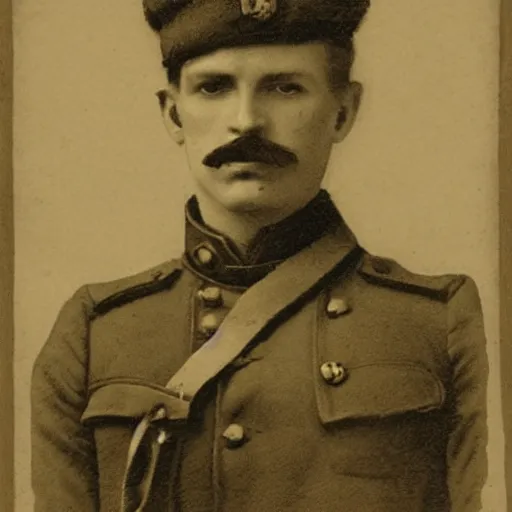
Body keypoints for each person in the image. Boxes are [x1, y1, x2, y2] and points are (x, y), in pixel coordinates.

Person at [31, 0, 489, 511]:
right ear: (172, 111)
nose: (246, 121)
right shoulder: (95, 334)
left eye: (285, 87)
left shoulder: (441, 323)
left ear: (344, 111)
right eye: (213, 87)